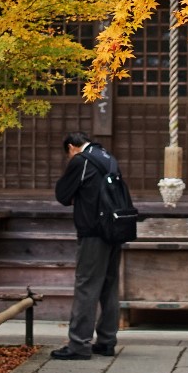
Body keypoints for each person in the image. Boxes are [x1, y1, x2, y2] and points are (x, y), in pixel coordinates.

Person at [53, 131, 134, 361]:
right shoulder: (109, 157)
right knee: (109, 285)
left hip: (92, 232)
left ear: (71, 147)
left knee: (86, 285)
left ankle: (78, 344)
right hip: (115, 229)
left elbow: (62, 194)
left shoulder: (81, 160)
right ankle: (107, 341)